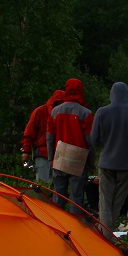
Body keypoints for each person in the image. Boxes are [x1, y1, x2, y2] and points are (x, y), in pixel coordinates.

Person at [89, 82, 128, 232]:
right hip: (126, 166)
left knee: (105, 201)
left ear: (111, 94)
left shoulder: (102, 112)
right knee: (117, 202)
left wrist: (91, 162)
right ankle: (108, 234)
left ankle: (105, 234)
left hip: (106, 164)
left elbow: (93, 140)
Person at [47, 78, 93, 217]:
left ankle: (57, 224)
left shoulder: (55, 112)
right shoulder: (86, 113)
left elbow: (49, 138)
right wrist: (91, 162)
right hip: (78, 157)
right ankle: (75, 227)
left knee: (58, 195)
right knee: (76, 197)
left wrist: (51, 159)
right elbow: (90, 141)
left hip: (60, 155)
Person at [20, 88, 64, 185]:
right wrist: (26, 151)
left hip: (59, 156)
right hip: (42, 154)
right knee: (42, 186)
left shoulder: (64, 114)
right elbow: (28, 133)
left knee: (57, 187)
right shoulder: (40, 112)